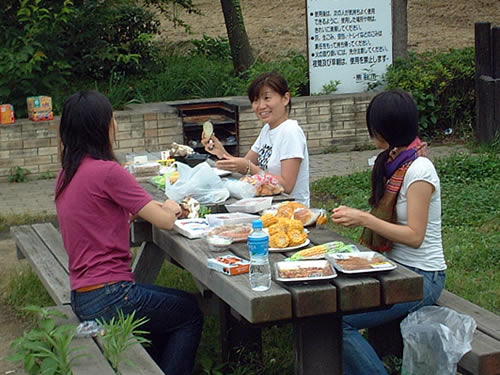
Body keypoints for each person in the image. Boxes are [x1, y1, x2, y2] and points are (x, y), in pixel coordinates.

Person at [55, 90, 203, 375]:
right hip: (111, 296)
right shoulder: (109, 171)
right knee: (189, 313)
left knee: (172, 312)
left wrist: (145, 208)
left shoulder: (67, 174)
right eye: (113, 118)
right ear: (103, 127)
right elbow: (164, 221)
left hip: (83, 294)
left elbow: (100, 214)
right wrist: (170, 208)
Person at [331, 89, 447, 375]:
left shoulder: (420, 170)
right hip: (394, 268)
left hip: (422, 277)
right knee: (328, 306)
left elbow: (415, 236)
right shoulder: (395, 161)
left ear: (387, 128)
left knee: (335, 322)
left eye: (375, 127)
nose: (372, 133)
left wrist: (365, 219)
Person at [201, 71, 310, 206]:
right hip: (267, 206)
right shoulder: (267, 130)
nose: (261, 106)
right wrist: (220, 152)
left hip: (290, 212)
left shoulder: (290, 132)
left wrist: (252, 169)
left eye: (267, 98)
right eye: (255, 100)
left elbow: (287, 186)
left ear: (285, 98)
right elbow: (243, 164)